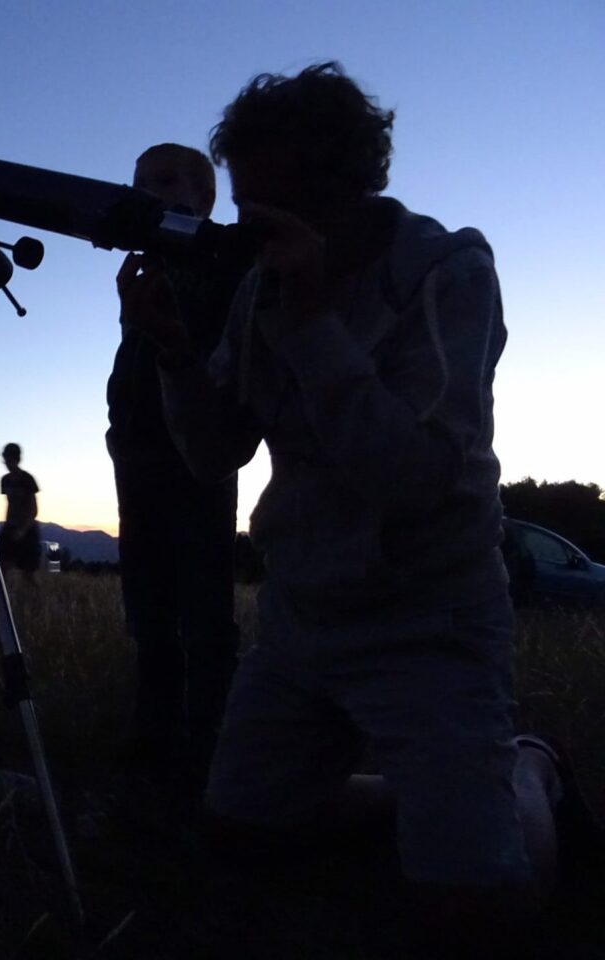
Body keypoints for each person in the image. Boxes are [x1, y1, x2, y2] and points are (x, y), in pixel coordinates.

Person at [118, 61, 586, 950]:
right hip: (303, 616)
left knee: (478, 908)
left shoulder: (446, 270)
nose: (248, 226)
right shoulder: (261, 279)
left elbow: (414, 478)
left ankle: (526, 773)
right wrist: (175, 355)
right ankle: (436, 793)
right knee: (244, 830)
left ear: (344, 184)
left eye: (270, 204)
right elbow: (217, 450)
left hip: (428, 616)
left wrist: (313, 323)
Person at [106, 142, 251, 782]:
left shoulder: (221, 263)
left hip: (199, 461)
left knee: (203, 611)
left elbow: (224, 370)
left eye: (165, 181)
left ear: (204, 197)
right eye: (141, 183)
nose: (150, 193)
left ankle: (210, 751)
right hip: (136, 458)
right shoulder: (147, 263)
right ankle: (153, 739)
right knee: (148, 607)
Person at [0, 443, 40, 579]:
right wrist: (7, 526)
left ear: (16, 459)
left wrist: (22, 529)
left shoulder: (27, 479)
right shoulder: (5, 480)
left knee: (28, 574)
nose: (8, 463)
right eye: (6, 459)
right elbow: (9, 505)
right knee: (1, 567)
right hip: (10, 526)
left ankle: (35, 599)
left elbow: (33, 509)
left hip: (27, 529)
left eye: (10, 459)